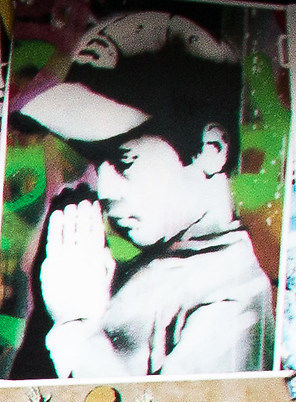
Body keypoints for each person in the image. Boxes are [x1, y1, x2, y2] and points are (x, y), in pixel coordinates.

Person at [17, 11, 272, 377]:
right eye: (96, 160)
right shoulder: (145, 270)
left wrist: (76, 328)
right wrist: (51, 314)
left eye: (124, 160)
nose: (105, 189)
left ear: (212, 148)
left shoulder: (232, 303)